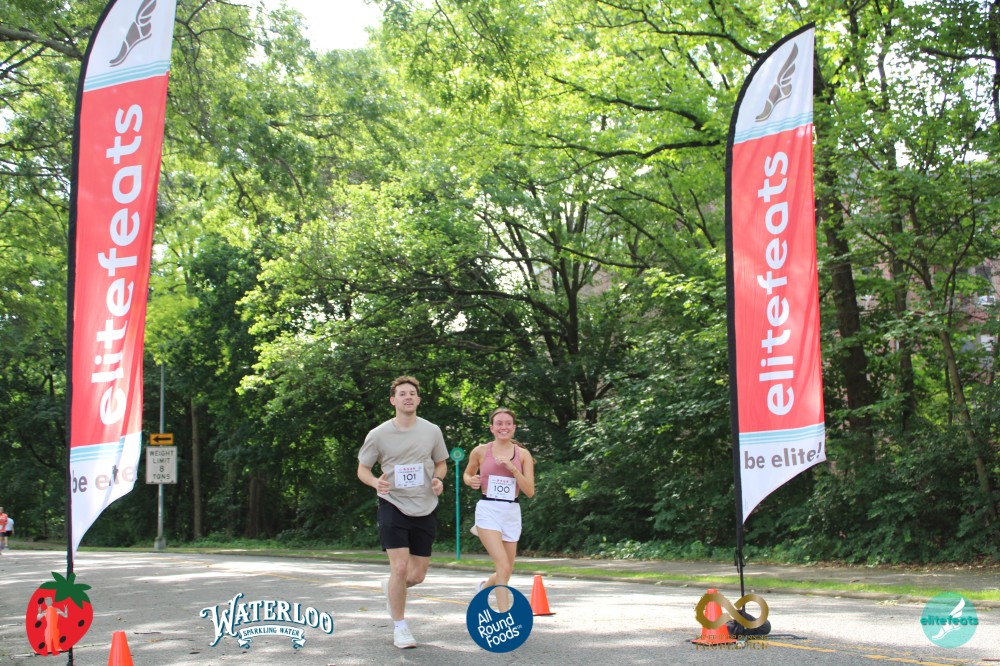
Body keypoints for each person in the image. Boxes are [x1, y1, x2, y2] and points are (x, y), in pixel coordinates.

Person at [357, 376, 449, 649]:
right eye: (402, 393)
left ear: (418, 400)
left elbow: (441, 463)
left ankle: (391, 589)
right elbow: (363, 469)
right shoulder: (378, 434)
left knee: (416, 576)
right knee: (399, 568)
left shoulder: (432, 431)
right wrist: (376, 482)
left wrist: (438, 479)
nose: (408, 397)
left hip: (425, 505)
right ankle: (400, 627)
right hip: (393, 503)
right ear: (393, 400)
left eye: (412, 393)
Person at [463, 407, 535, 612]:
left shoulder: (523, 454)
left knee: (507, 569)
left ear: (514, 428)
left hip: (511, 511)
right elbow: (467, 474)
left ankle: (483, 589)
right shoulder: (480, 451)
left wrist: (513, 469)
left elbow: (530, 491)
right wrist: (471, 481)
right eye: (499, 423)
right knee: (502, 566)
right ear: (492, 428)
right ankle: (504, 615)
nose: (504, 427)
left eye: (508, 423)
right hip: (488, 509)